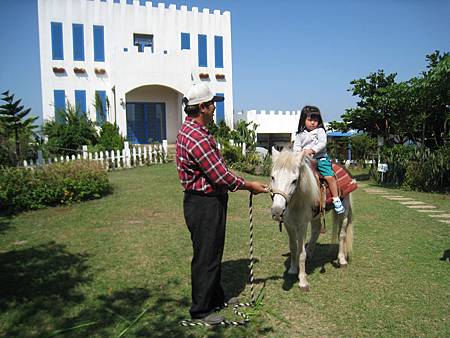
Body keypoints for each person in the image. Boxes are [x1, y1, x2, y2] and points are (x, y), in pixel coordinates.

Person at [175, 83, 268, 325]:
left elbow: (218, 171)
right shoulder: (197, 137)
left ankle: (215, 298)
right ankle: (201, 310)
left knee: (212, 252)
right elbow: (220, 176)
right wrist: (249, 185)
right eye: (211, 103)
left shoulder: (195, 131)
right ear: (202, 107)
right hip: (205, 203)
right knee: (206, 256)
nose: (215, 107)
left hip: (205, 201)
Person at [293, 105, 345, 214]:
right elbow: (296, 147)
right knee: (294, 176)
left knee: (329, 176)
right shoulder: (299, 134)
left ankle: (336, 199)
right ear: (303, 120)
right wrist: (299, 153)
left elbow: (322, 143)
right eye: (309, 119)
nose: (313, 122)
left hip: (320, 158)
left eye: (315, 120)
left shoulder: (320, 131)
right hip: (305, 160)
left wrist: (311, 150)